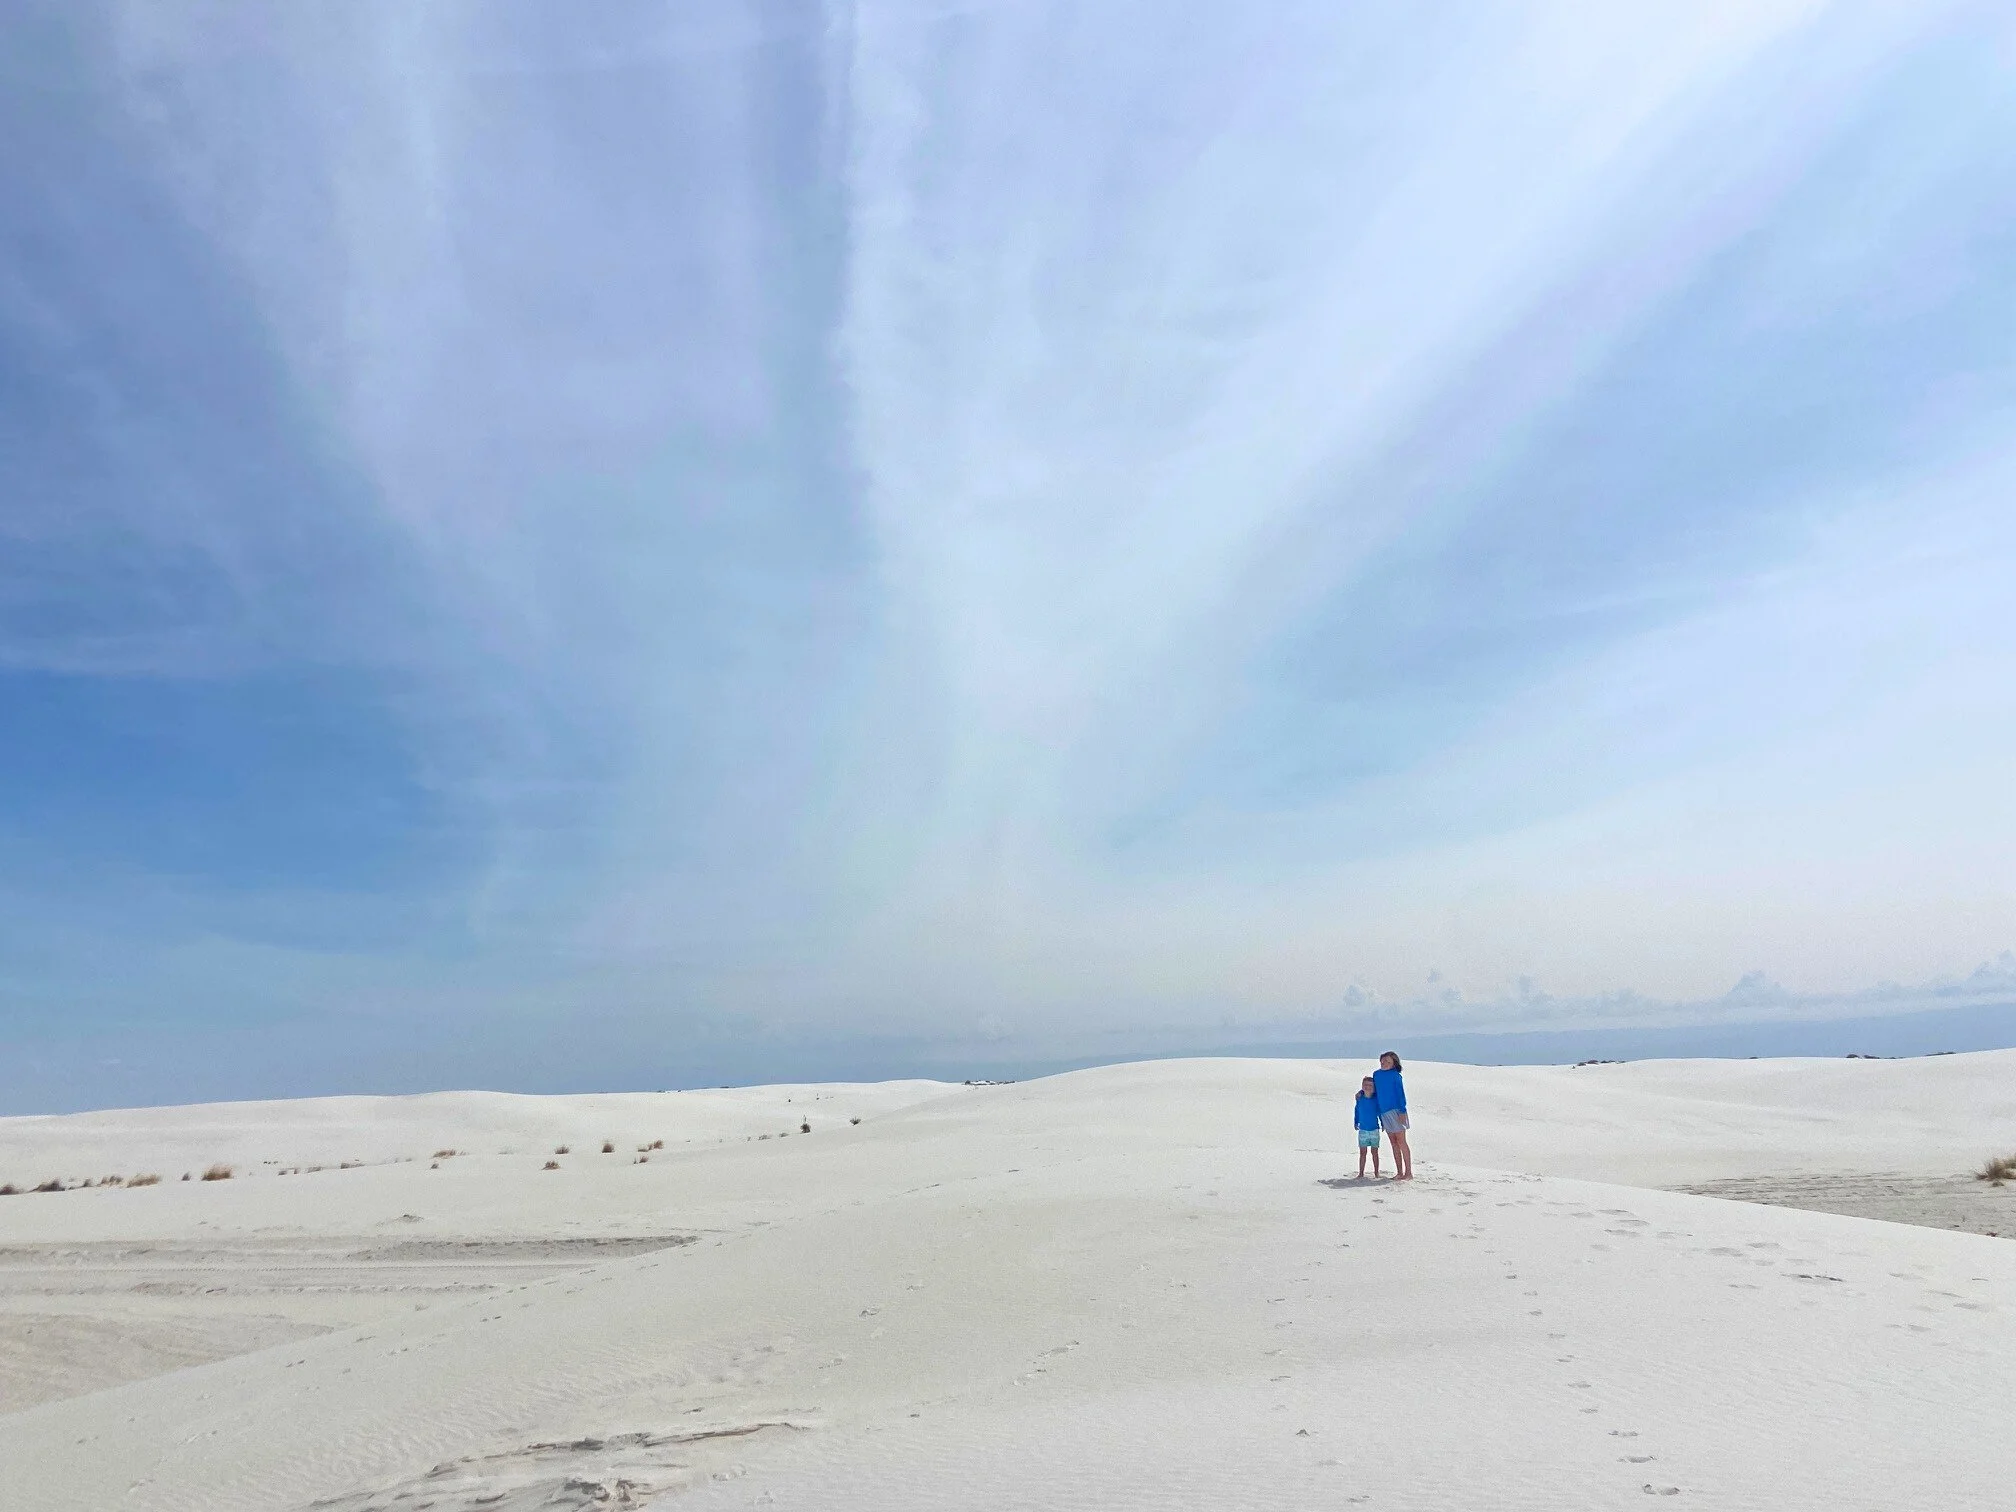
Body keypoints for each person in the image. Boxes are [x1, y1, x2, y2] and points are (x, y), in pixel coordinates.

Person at [1373, 1051, 1412, 1180]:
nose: (1384, 1063)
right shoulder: (1377, 1075)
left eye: (1388, 1062)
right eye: (1383, 1061)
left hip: (1396, 1111)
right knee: (1393, 1143)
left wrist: (1402, 1111)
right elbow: (1375, 1092)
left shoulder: (1396, 1076)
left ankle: (1408, 1173)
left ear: (1394, 1064)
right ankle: (1399, 1172)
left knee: (1401, 1141)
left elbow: (1400, 1094)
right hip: (1384, 1113)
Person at [1352, 1075, 1383, 1178]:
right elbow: (1357, 1110)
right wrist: (1356, 1121)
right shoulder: (1360, 1099)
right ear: (1362, 1086)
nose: (1367, 1087)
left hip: (1374, 1130)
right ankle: (1361, 1173)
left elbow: (1379, 1113)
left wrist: (1383, 1123)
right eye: (1365, 1085)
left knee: (1375, 1152)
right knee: (1362, 1153)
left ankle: (1376, 1172)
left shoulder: (1376, 1100)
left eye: (1370, 1085)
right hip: (1363, 1130)